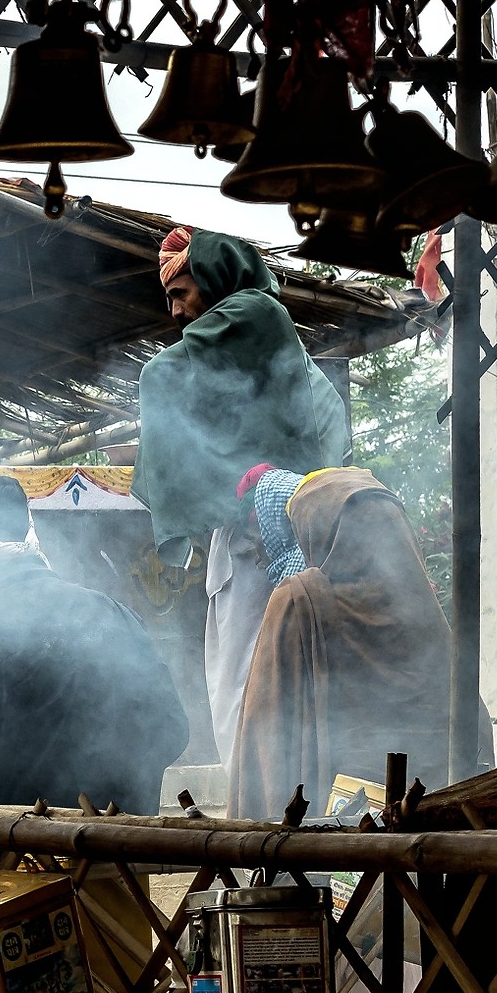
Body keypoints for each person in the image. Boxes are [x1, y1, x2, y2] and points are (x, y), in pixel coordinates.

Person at [136, 225, 351, 777]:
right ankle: (263, 817)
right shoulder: (249, 334)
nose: (177, 312)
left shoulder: (257, 312)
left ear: (214, 278)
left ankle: (264, 822)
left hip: (269, 537)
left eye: (181, 293)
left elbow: (161, 377)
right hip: (251, 534)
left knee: (249, 683)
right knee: (237, 681)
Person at [0, 473, 189, 813]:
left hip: (12, 851)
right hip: (121, 845)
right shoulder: (115, 614)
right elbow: (172, 727)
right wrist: (123, 792)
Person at [228, 466, 451, 819]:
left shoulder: (299, 601)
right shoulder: (429, 619)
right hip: (437, 831)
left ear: (313, 529)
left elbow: (267, 735)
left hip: (331, 835)